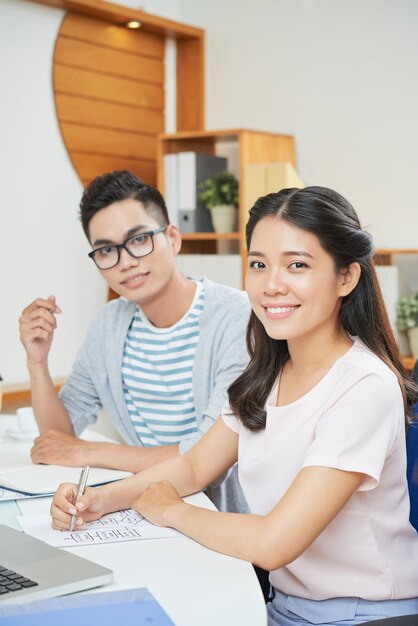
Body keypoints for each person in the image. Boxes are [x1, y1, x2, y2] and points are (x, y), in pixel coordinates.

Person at [51, 186, 418, 626]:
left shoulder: (364, 386)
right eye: (258, 264)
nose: (272, 285)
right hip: (281, 606)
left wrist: (171, 510)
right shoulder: (267, 373)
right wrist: (99, 500)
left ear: (346, 277)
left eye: (297, 265)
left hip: (365, 614)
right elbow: (192, 468)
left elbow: (274, 543)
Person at [19, 170, 251, 513]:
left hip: (225, 517)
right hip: (144, 508)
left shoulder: (237, 317)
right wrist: (37, 362)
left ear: (172, 237)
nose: (125, 262)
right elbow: (58, 439)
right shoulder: (109, 325)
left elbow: (208, 457)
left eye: (139, 239)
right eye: (107, 250)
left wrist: (91, 451)